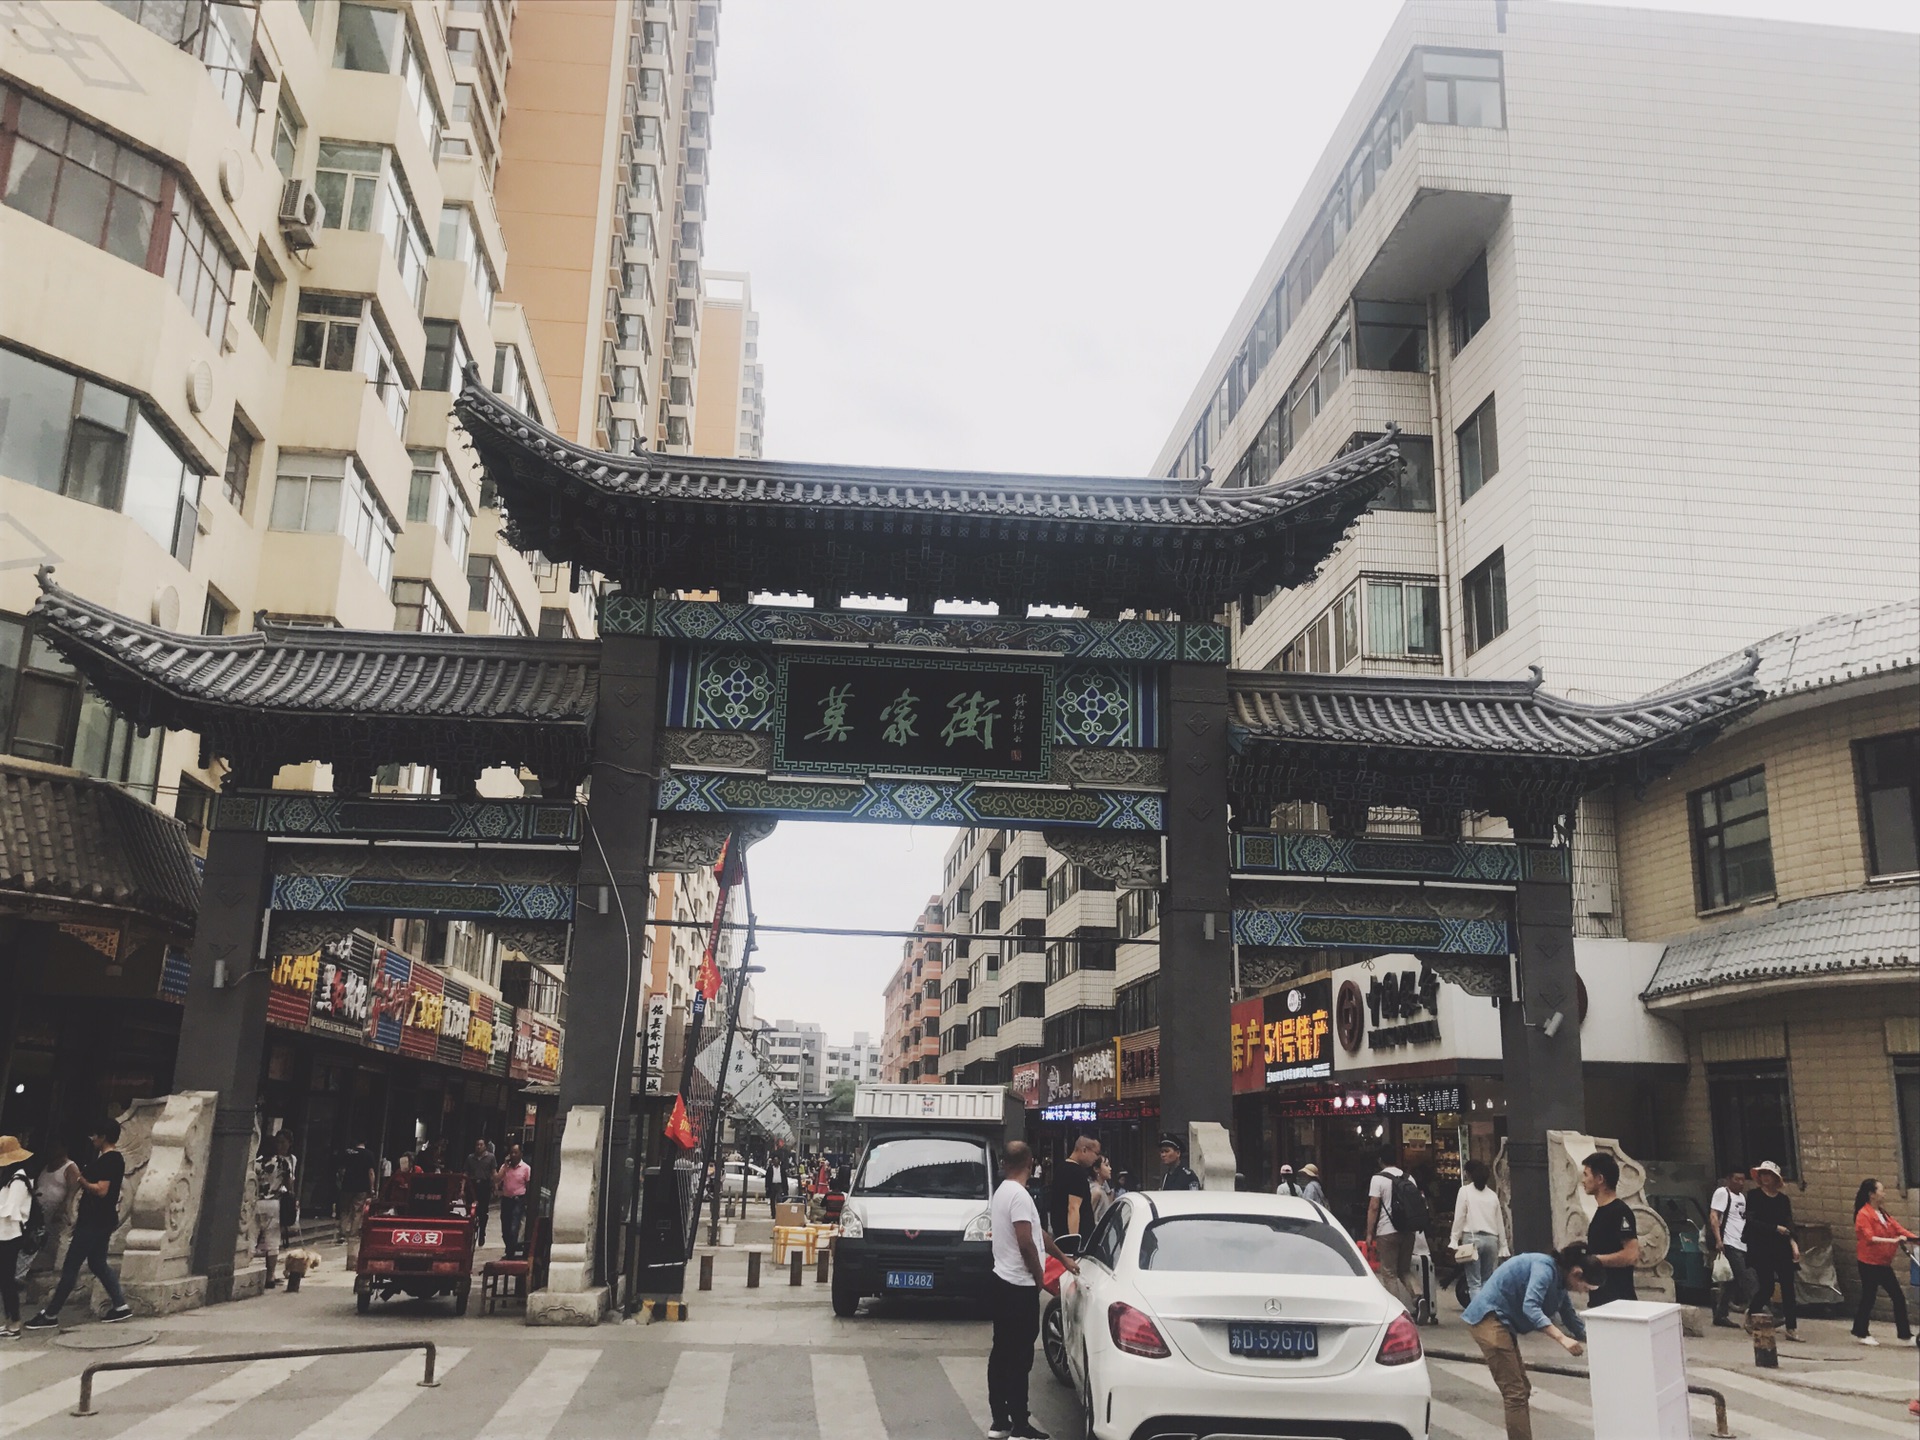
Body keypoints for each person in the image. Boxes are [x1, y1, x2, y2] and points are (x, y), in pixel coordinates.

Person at [986, 1141, 1075, 1440]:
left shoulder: (1002, 1192)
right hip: (1019, 1286)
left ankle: (1000, 1421)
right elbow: (1026, 1242)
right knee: (1020, 1356)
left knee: (1001, 1352)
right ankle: (1020, 1424)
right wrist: (1038, 1275)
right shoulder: (1020, 1196)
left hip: (1001, 1281)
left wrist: (1062, 1258)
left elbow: (1039, 1235)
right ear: (1030, 1162)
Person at [1462, 1244, 1597, 1440]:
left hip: (1501, 1322)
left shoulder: (1560, 1281)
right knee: (1515, 1393)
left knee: (1522, 1390)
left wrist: (1594, 1339)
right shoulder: (1544, 1269)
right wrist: (1562, 1338)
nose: (1583, 1293)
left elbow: (1569, 1316)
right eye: (1585, 1288)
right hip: (1488, 1318)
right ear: (1577, 1273)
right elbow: (1531, 1307)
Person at [25, 1119, 132, 1329]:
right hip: (100, 1219)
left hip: (94, 1221)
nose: (92, 1139)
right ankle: (120, 1305)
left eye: (95, 1135)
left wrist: (81, 1180)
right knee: (97, 1263)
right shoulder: (111, 1159)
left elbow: (102, 1190)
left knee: (71, 1266)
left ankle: (51, 1313)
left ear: (103, 1137)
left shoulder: (110, 1160)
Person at [1851, 1176, 1916, 1346]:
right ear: (1872, 1194)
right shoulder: (1863, 1214)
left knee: (1898, 1297)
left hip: (1883, 1263)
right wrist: (1893, 1241)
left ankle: (1904, 1335)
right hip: (1869, 1263)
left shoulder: (1883, 1214)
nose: (1884, 1194)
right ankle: (1861, 1332)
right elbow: (1870, 1238)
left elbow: (1898, 1229)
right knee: (1869, 1297)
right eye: (1881, 1190)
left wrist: (1915, 1239)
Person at [1743, 1160, 1802, 1342]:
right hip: (1761, 1247)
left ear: (1776, 1178)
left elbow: (1789, 1222)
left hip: (1781, 1246)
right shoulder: (1754, 1196)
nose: (1766, 1178)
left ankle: (1791, 1327)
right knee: (1767, 1286)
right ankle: (1752, 1311)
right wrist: (1774, 1228)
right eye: (1763, 1174)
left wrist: (1793, 1243)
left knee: (1788, 1287)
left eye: (1769, 1174)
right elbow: (1751, 1221)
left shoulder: (1783, 1200)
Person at [1366, 1148, 1422, 1311]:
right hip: (1408, 1231)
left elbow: (1374, 1207)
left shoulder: (1378, 1178)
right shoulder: (1409, 1178)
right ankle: (1419, 1297)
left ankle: (1396, 1310)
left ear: (1380, 1160)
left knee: (1389, 1272)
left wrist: (1369, 1232)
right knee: (1405, 1270)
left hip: (1387, 1231)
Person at [1579, 1151, 1638, 1306]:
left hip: (1619, 1301)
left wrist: (1595, 1260)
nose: (1583, 1180)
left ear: (1600, 1179)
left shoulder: (1620, 1211)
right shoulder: (1600, 1212)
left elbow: (1631, 1255)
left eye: (1586, 1175)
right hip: (1600, 1300)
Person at [1450, 1159, 1508, 1302]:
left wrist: (1454, 1239)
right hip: (1492, 1240)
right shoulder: (1492, 1195)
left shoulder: (1464, 1191)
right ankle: (1487, 1310)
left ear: (1469, 1174)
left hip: (1472, 1240)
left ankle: (1478, 1313)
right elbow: (1499, 1222)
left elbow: (1459, 1217)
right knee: (1487, 1280)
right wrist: (1503, 1245)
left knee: (1474, 1283)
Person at [1708, 1166, 1752, 1329]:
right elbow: (1714, 1216)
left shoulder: (1741, 1198)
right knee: (1746, 1277)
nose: (1740, 1183)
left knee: (1731, 1282)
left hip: (1741, 1243)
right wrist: (1719, 1240)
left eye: (1742, 1180)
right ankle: (1762, 1310)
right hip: (1729, 1242)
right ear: (1729, 1179)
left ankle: (1721, 1314)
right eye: (1736, 1179)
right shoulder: (1722, 1193)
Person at [0, 1135, 35, 1338]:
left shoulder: (19, 1180)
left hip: (10, 1236)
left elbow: (10, 1209)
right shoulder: (9, 1179)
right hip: (4, 1234)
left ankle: (14, 1322)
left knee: (7, 1280)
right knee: (5, 1280)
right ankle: (9, 1320)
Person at [253, 1138, 294, 1288]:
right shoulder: (282, 1163)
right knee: (272, 1241)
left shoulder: (255, 1163)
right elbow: (288, 1184)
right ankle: (270, 1276)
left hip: (255, 1203)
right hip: (274, 1203)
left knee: (252, 1238)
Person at [31, 1141, 78, 1274]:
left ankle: (48, 1266)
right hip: (40, 1210)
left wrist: (63, 1208)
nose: (52, 1150)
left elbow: (73, 1191)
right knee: (37, 1238)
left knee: (51, 1239)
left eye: (55, 1146)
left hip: (55, 1210)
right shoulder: (47, 1167)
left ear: (64, 1147)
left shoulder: (70, 1167)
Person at [1047, 1135, 1100, 1244]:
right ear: (1084, 1150)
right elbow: (1073, 1208)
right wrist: (1074, 1243)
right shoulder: (1077, 1173)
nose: (1096, 1158)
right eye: (1096, 1153)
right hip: (1078, 1240)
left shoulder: (1060, 1168)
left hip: (1060, 1236)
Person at [338, 1141, 377, 1268]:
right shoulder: (369, 1154)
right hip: (361, 1187)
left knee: (344, 1210)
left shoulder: (348, 1153)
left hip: (347, 1186)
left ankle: (342, 1233)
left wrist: (342, 1182)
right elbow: (371, 1172)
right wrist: (372, 1188)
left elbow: (342, 1170)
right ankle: (353, 1233)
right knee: (357, 1211)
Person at [497, 1143, 532, 1258]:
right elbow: (497, 1179)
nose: (513, 1155)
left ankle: (510, 1251)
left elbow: (528, 1185)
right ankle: (509, 1247)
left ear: (521, 1154)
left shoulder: (526, 1168)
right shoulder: (505, 1167)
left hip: (518, 1199)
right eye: (511, 1152)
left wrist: (527, 1201)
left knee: (514, 1226)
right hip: (506, 1199)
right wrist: (505, 1166)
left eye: (515, 1152)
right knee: (505, 1227)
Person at [465, 1139, 498, 1247]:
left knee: (483, 1212)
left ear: (485, 1146)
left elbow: (493, 1172)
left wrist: (496, 1186)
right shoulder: (470, 1158)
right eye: (477, 1145)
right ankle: (470, 1232)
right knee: (470, 1210)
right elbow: (466, 1173)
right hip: (472, 1185)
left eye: (481, 1145)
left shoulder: (491, 1157)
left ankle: (482, 1232)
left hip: (484, 1186)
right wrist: (462, 1188)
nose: (479, 1147)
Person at [1089, 1156, 1115, 1222]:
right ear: (1096, 1169)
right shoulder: (1096, 1191)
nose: (1110, 1168)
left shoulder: (1103, 1188)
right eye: (1106, 1165)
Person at [767, 1150, 789, 1219]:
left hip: (780, 1185)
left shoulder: (782, 1169)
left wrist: (786, 1188)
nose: (776, 1161)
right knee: (772, 1200)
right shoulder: (770, 1169)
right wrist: (767, 1187)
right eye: (775, 1160)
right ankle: (773, 1214)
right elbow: (767, 1178)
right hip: (772, 1185)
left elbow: (784, 1178)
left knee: (779, 1199)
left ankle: (779, 1213)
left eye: (777, 1160)